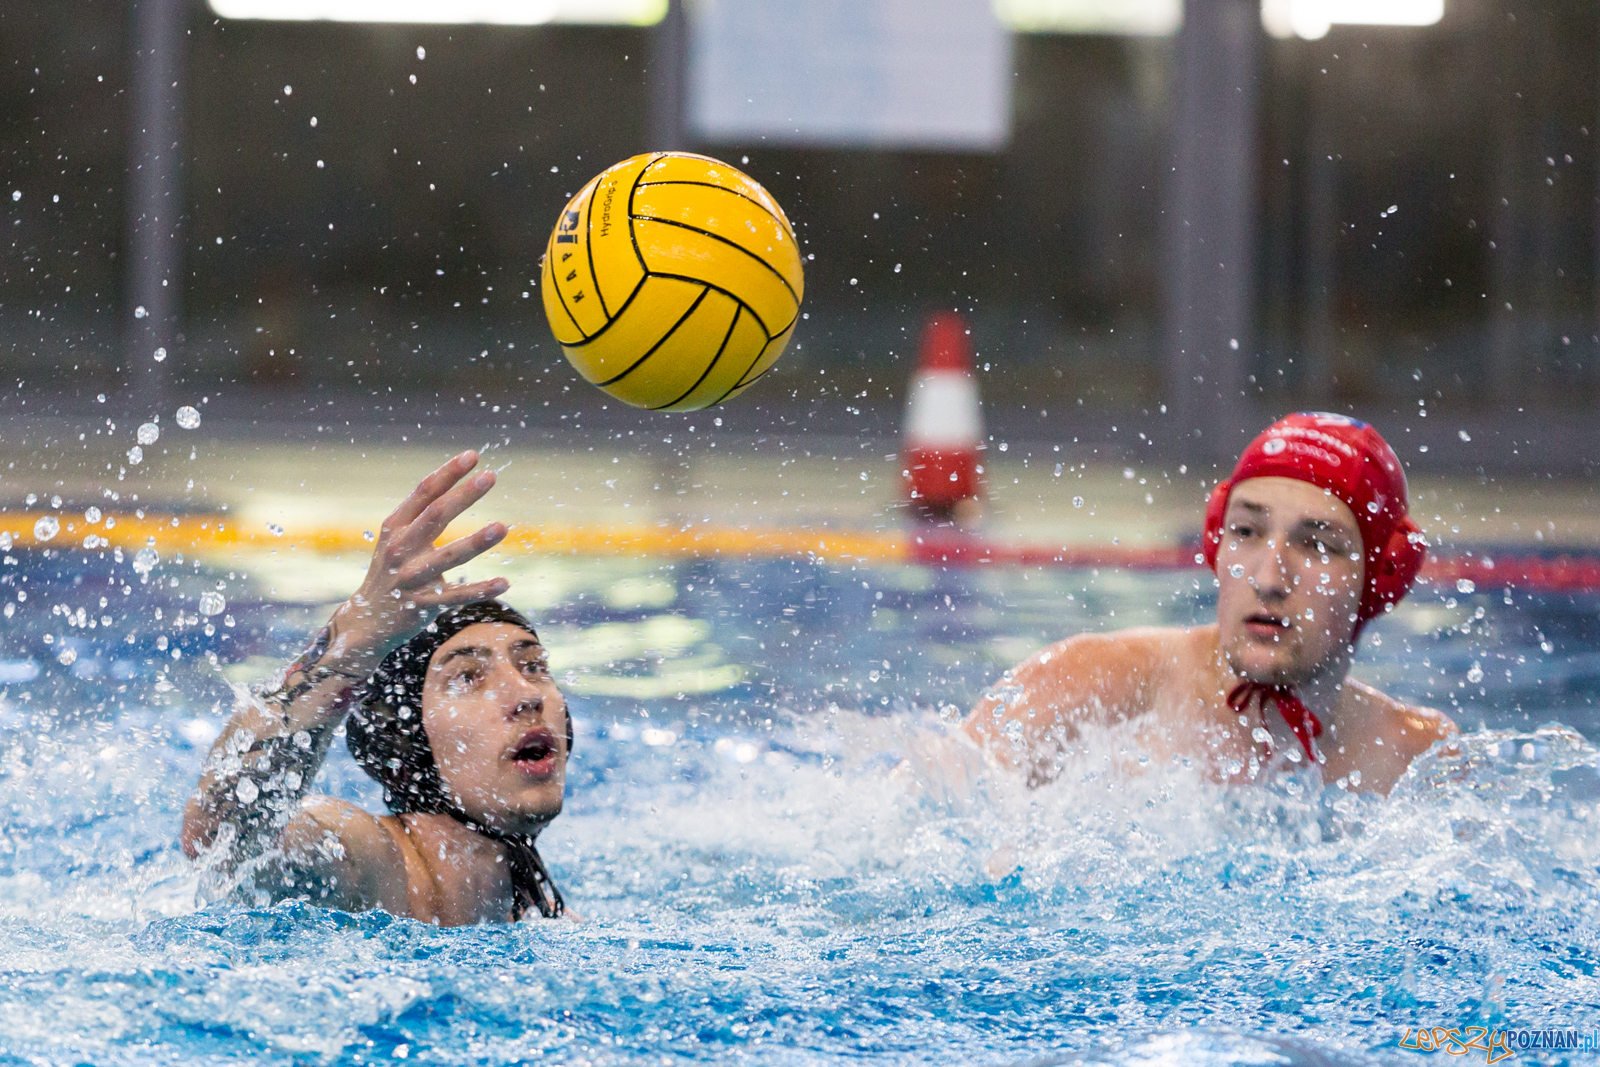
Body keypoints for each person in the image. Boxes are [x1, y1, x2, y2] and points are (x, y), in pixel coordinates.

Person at [965, 413, 1456, 796]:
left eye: (1317, 545)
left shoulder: (1415, 761)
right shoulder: (1101, 686)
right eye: (1246, 532)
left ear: (1382, 578)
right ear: (1215, 545)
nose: (1268, 578)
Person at [180, 450, 572, 924]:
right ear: (408, 740)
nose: (527, 696)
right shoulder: (367, 861)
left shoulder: (540, 914)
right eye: (468, 676)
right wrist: (352, 648)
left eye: (533, 666)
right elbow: (218, 837)